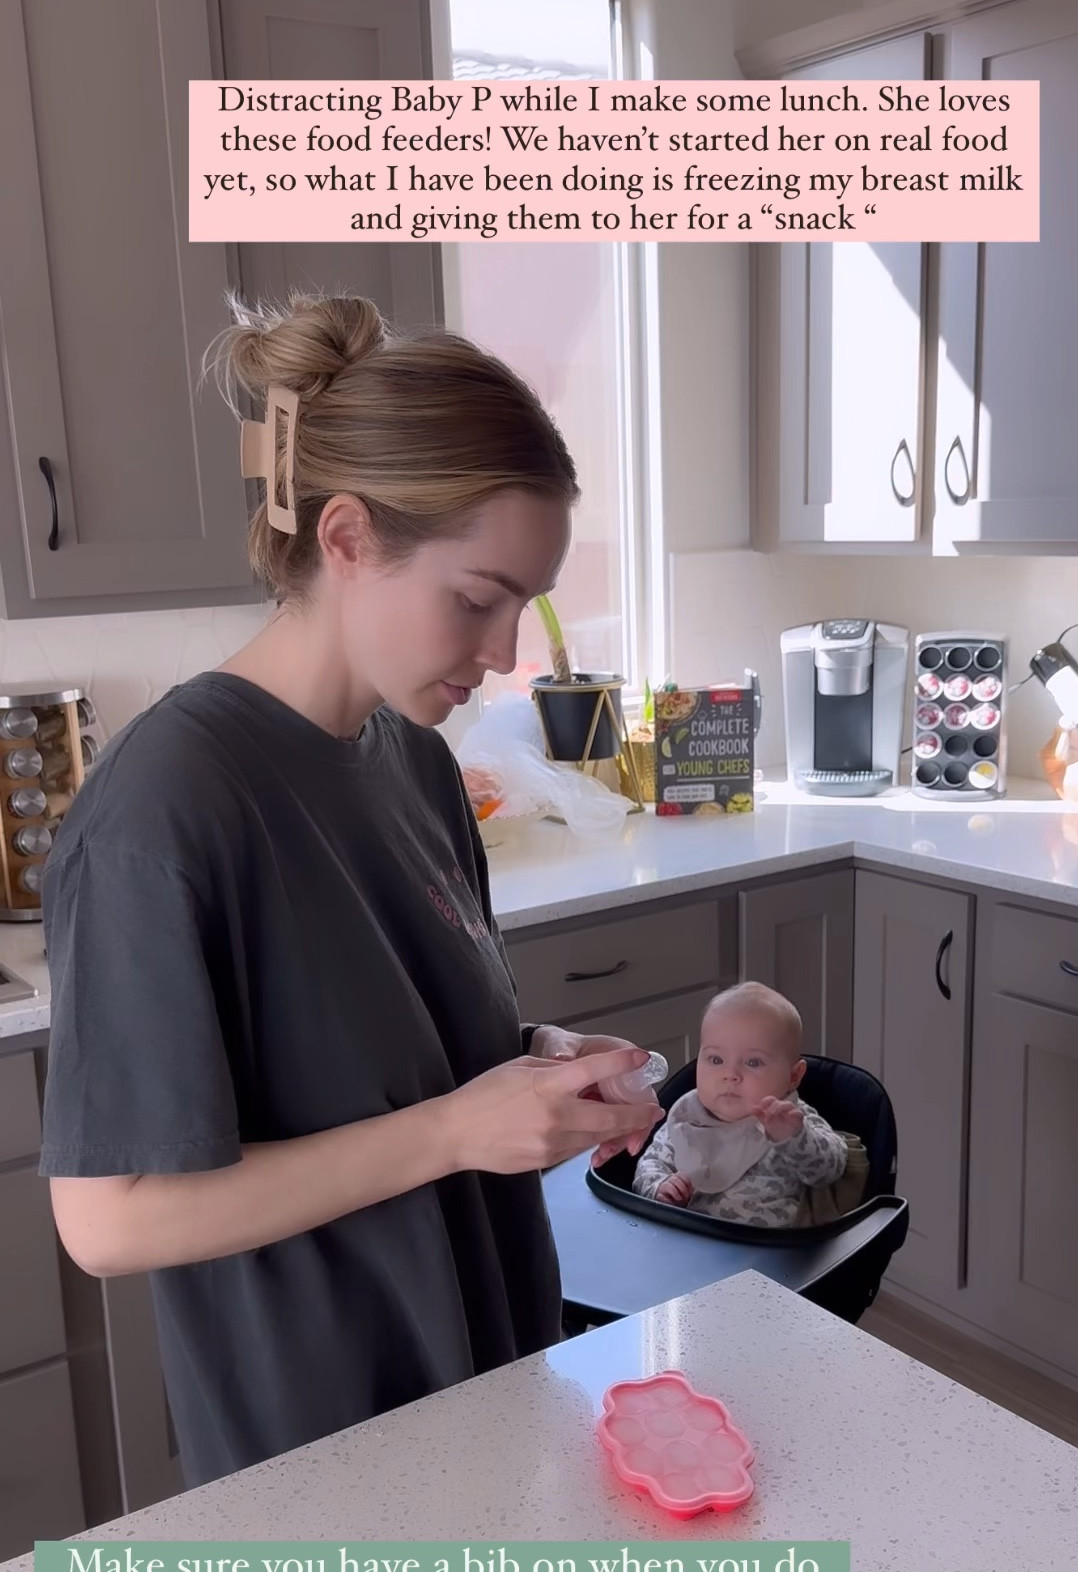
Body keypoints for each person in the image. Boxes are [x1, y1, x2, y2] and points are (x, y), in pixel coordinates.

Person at [40, 292, 663, 1489]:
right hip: (324, 1439)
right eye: (478, 598)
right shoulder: (164, 809)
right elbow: (109, 1218)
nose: (503, 652)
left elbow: (375, 1051)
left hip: (486, 1382)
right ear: (344, 539)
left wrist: (529, 1067)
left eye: (523, 608)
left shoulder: (415, 764)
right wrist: (455, 1130)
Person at [632, 982, 848, 1228]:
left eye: (753, 1062)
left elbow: (829, 1171)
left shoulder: (792, 1121)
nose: (730, 1074)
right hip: (688, 1243)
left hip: (767, 1255)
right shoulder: (689, 1119)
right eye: (716, 1059)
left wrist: (794, 1138)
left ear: (793, 1076)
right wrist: (659, 1187)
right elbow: (650, 1165)